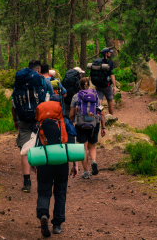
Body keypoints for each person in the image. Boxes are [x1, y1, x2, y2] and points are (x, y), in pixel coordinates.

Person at [35, 94, 78, 237]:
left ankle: (43, 214)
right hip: (61, 161)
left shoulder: (40, 123)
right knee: (60, 193)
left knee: (44, 191)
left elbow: (35, 144)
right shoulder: (65, 123)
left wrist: (34, 163)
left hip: (44, 160)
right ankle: (57, 225)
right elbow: (71, 144)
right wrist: (75, 164)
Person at [11, 60, 54, 193]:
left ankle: (27, 182)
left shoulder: (19, 82)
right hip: (40, 118)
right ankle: (43, 178)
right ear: (39, 69)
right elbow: (51, 99)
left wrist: (15, 120)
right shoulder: (43, 81)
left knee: (24, 149)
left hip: (23, 119)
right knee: (42, 144)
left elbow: (14, 104)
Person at [69, 77, 106, 179]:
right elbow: (101, 112)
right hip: (94, 123)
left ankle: (86, 172)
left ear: (79, 85)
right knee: (92, 146)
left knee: (83, 148)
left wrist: (71, 123)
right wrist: (103, 127)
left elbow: (71, 114)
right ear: (88, 85)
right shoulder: (95, 95)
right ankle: (93, 161)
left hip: (80, 124)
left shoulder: (76, 96)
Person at [94, 48, 116, 115]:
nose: (110, 53)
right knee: (110, 101)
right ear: (106, 53)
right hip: (107, 85)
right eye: (109, 52)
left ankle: (98, 116)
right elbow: (112, 75)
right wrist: (114, 86)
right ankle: (111, 117)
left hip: (98, 85)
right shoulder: (109, 63)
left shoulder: (97, 62)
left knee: (99, 101)